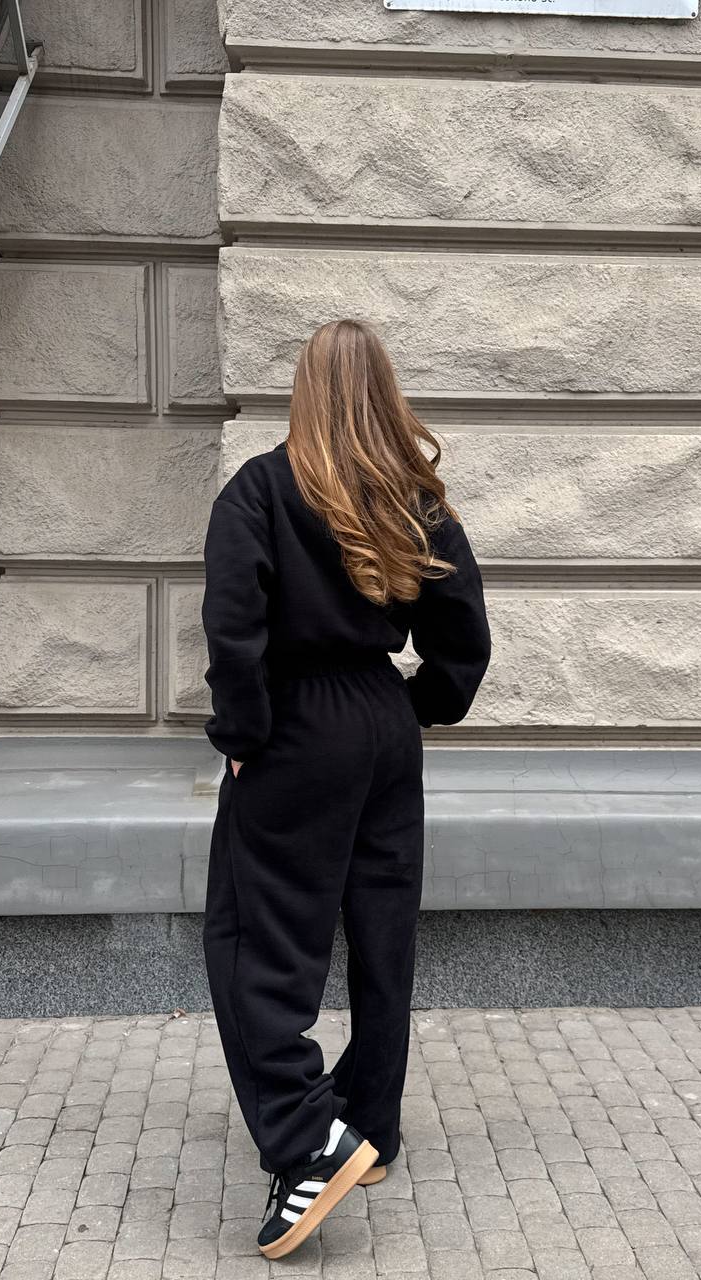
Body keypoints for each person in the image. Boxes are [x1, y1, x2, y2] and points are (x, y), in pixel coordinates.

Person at [200, 318, 491, 1260]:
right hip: (381, 722)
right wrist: (415, 707)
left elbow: (233, 631)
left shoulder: (260, 489)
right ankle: (370, 1124)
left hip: (295, 732)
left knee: (256, 942)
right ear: (383, 395)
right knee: (381, 934)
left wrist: (243, 738)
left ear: (304, 391)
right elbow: (463, 635)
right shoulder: (413, 500)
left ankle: (308, 1140)